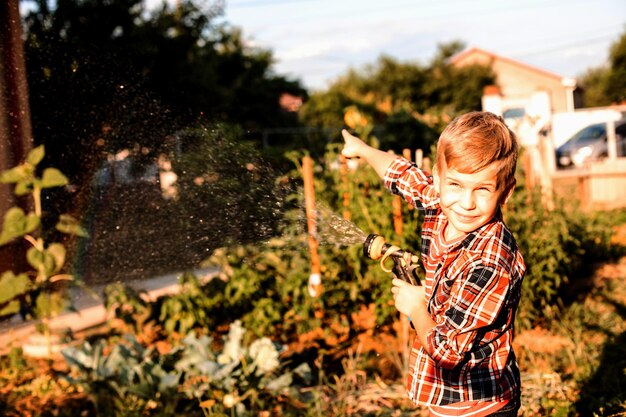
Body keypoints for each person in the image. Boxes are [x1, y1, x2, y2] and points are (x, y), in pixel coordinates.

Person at [341, 111, 525, 417]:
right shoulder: (443, 201)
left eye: (482, 189)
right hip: (448, 399)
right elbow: (403, 176)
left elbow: (449, 352)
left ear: (505, 191)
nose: (466, 202)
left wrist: (416, 307)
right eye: (455, 185)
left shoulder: (490, 262)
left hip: (481, 403)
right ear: (439, 180)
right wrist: (362, 149)